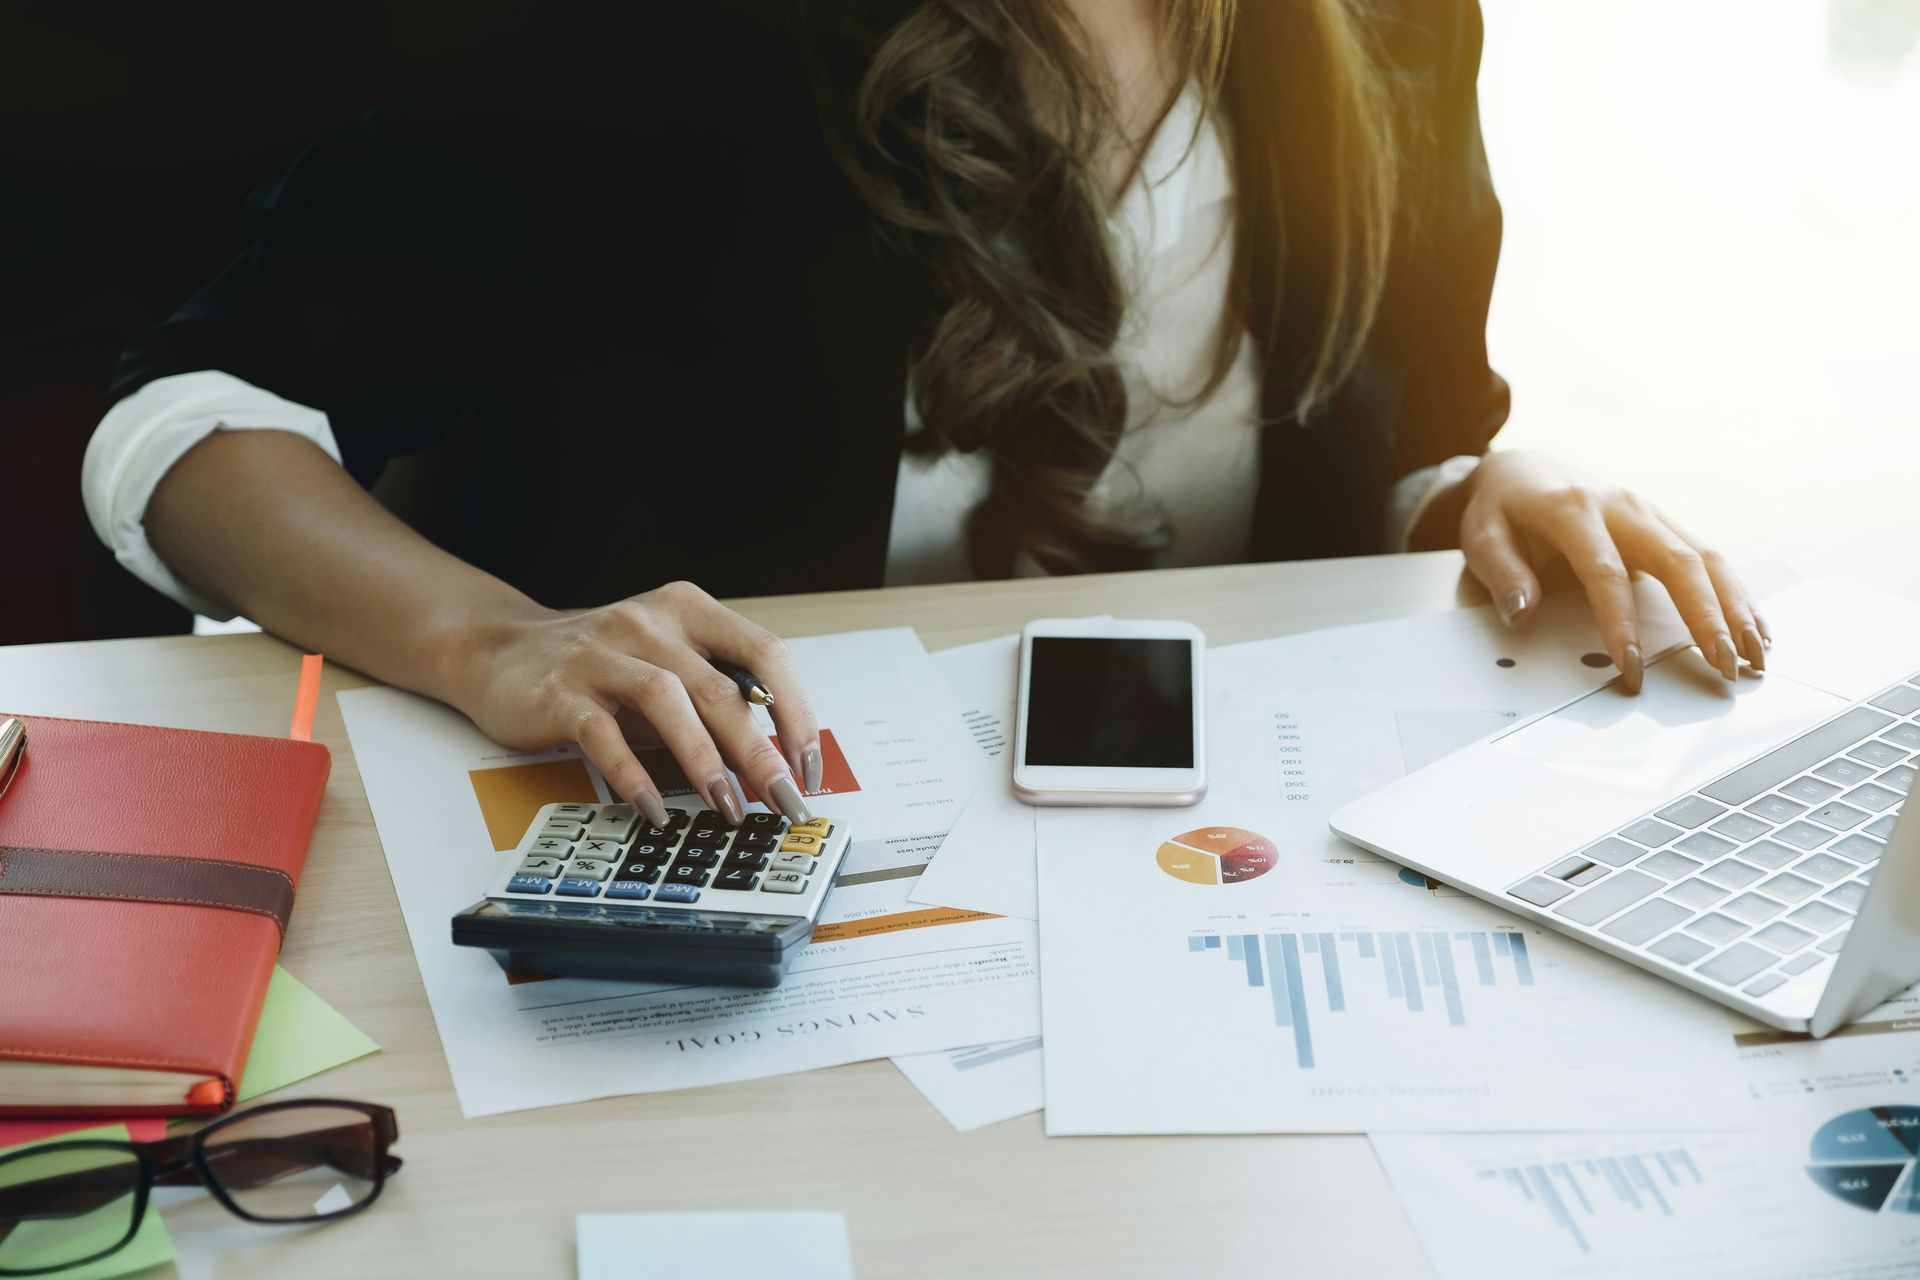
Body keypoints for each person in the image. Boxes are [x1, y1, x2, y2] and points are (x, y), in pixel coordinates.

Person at [82, 1, 1765, 830]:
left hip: (1225, 839)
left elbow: (1386, 427)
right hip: (766, 844)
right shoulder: (656, 55)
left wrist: (1477, 485)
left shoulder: (1386, 28)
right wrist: (488, 638)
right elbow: (185, 426)